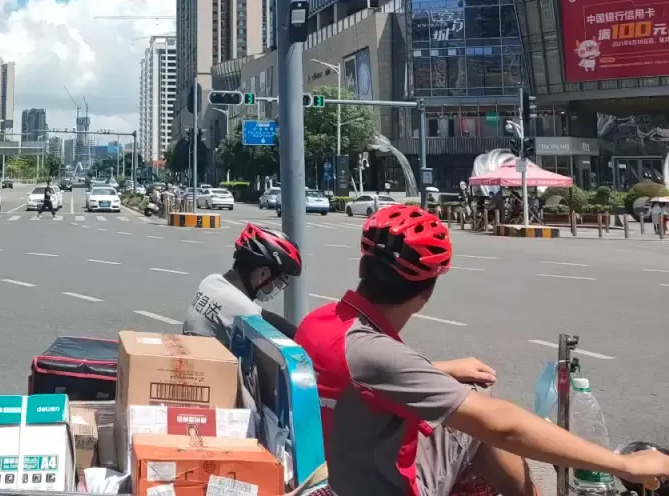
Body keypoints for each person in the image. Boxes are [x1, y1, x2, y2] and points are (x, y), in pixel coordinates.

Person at [293, 204, 669, 496]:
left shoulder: (322, 322)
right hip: (381, 485)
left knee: (467, 398)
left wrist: (440, 368)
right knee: (480, 415)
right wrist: (624, 465)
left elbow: (355, 377)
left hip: (344, 464)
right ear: (427, 293)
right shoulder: (376, 354)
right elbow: (503, 425)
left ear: (363, 266)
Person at [183, 222, 302, 346]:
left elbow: (264, 315)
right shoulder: (245, 312)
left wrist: (299, 333)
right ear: (263, 274)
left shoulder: (211, 281)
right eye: (280, 281)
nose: (279, 288)